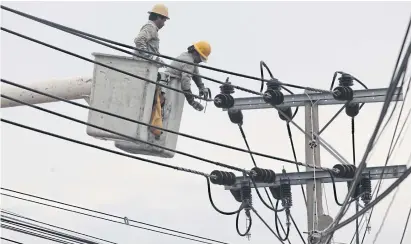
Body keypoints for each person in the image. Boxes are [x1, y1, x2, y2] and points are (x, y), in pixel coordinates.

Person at [159, 41, 212, 111]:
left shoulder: (187, 57)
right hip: (168, 88)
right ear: (196, 53)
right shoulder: (189, 61)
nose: (200, 61)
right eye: (200, 58)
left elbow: (195, 74)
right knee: (165, 112)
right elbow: (185, 84)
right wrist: (192, 101)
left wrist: (201, 87)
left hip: (170, 85)